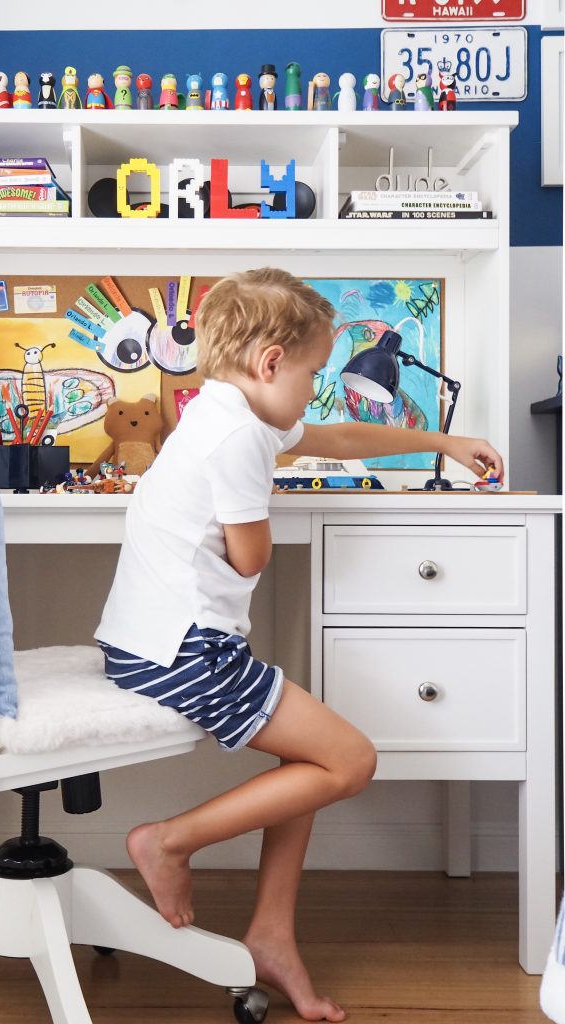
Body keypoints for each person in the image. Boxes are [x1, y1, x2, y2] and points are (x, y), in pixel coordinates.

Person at [95, 268, 504, 1022]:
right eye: (315, 372)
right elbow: (252, 559)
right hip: (186, 651)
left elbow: (339, 437)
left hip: (143, 641)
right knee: (351, 758)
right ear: (271, 363)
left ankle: (272, 933)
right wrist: (257, 498)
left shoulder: (219, 411)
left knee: (312, 750)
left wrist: (444, 440)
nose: (317, 389)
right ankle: (169, 841)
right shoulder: (237, 438)